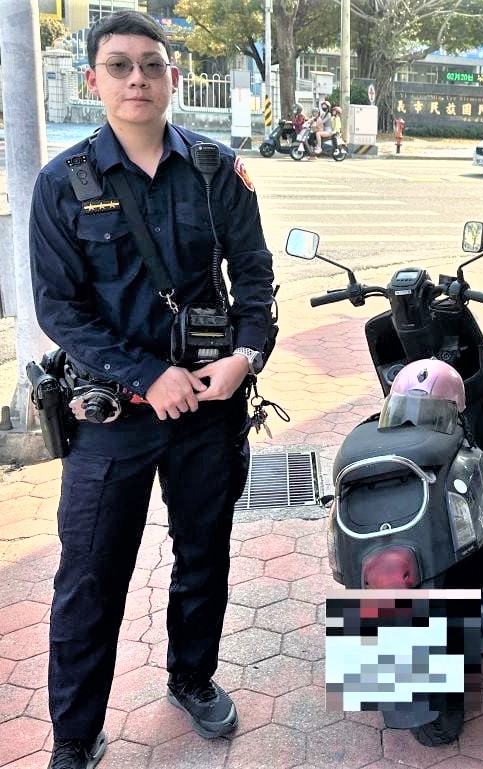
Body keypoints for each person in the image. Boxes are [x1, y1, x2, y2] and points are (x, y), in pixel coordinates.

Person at [29, 11, 274, 769]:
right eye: (119, 65)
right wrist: (146, 375)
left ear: (172, 78)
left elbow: (254, 278)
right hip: (113, 418)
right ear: (93, 80)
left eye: (151, 64)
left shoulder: (216, 170)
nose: (137, 78)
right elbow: (59, 310)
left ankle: (191, 677)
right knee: (90, 575)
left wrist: (245, 357)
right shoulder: (62, 184)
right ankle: (75, 736)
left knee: (204, 553)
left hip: (208, 408)